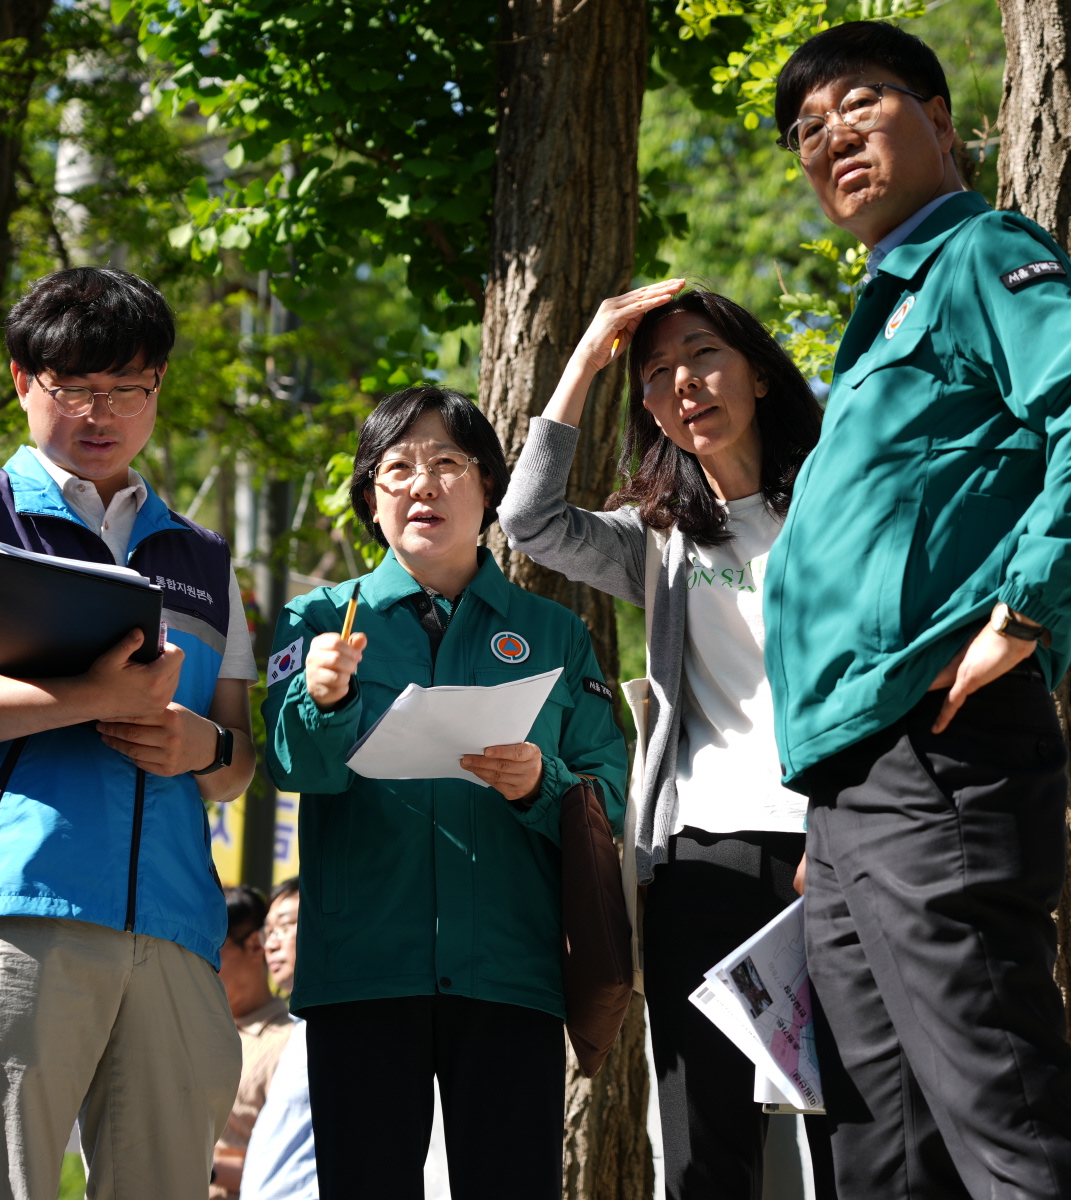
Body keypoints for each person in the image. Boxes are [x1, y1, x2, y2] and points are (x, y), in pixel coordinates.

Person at [761, 22, 1071, 1200]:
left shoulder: (979, 255)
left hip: (938, 755)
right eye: (806, 129)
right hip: (852, 788)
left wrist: (1025, 613)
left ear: (942, 121)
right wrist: (830, 801)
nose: (829, 137)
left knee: (1004, 1119)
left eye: (860, 105)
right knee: (882, 1153)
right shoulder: (881, 312)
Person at [0, 267, 257, 1200]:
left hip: (176, 929)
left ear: (156, 389)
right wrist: (88, 695)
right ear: (21, 381)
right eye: (73, 388)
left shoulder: (203, 558)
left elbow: (237, 753)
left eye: (126, 388)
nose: (102, 412)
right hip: (17, 908)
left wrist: (199, 750)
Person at [498, 285, 827, 1200]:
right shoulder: (660, 538)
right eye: (656, 376)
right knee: (701, 1148)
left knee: (857, 1127)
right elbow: (528, 519)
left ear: (759, 373)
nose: (683, 384)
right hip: (698, 862)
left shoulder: (836, 506)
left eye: (703, 356)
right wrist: (590, 354)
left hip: (835, 849)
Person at [261, 386, 629, 1200]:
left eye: (447, 464)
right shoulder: (318, 617)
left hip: (509, 971)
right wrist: (319, 701)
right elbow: (291, 767)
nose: (421, 485)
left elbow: (610, 787)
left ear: (488, 488)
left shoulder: (554, 632)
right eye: (396, 469)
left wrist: (545, 782)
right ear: (370, 497)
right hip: (364, 971)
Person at [215, 886, 297, 1200]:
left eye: (211, 949)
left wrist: (203, 1167)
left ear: (253, 944)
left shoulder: (292, 1039)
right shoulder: (188, 1031)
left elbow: (299, 1160)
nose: (198, 964)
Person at [240, 880, 318, 1200]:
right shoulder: (300, 1027)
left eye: (285, 926)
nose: (270, 944)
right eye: (267, 931)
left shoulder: (343, 1033)